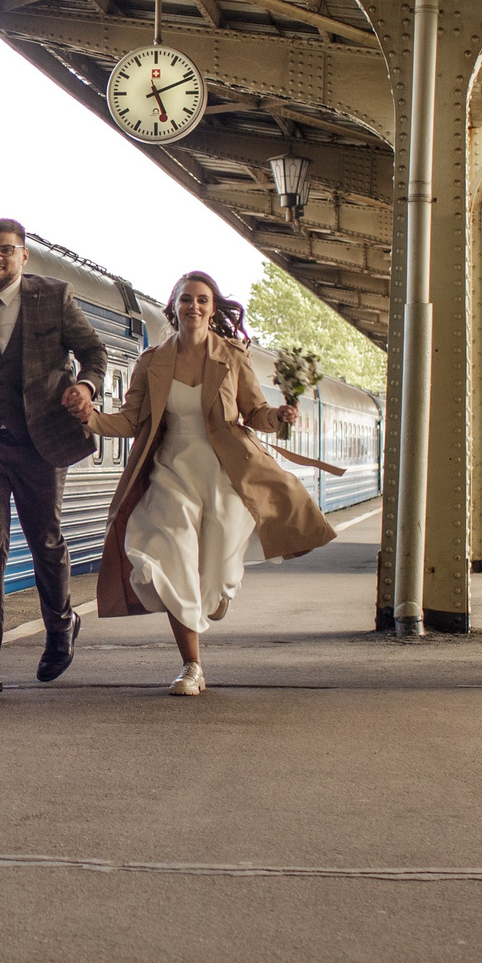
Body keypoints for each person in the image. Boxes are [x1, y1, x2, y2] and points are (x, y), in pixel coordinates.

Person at [76, 271, 336, 696]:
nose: (193, 307)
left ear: (212, 309)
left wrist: (278, 417)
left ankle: (216, 591)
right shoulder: (152, 361)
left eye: (201, 300)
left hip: (225, 472)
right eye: (185, 300)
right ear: (173, 307)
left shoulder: (232, 356)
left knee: (213, 580)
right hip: (171, 470)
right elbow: (130, 421)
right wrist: (89, 419)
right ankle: (191, 666)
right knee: (172, 558)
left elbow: (253, 414)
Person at [0, 218, 109, 694]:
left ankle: (61, 623)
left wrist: (86, 388)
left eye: (6, 251)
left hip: (38, 439)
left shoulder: (54, 295)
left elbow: (94, 351)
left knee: (44, 540)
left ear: (24, 256)